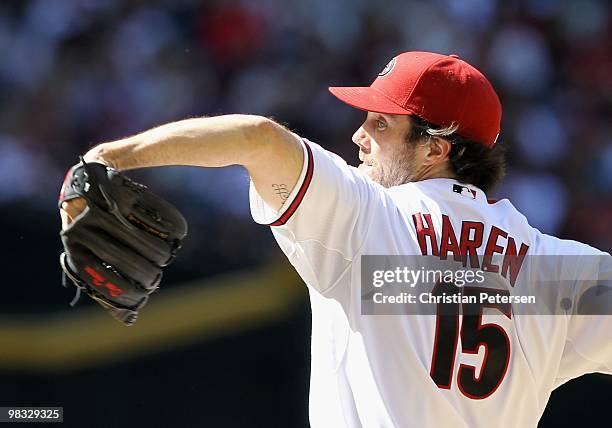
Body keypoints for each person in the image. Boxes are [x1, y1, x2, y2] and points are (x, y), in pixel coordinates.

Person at [60, 51, 612, 427]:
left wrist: (108, 157)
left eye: (381, 123)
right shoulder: (550, 269)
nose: (359, 135)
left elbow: (258, 138)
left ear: (436, 149)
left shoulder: (370, 221)